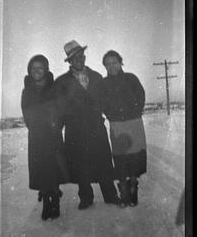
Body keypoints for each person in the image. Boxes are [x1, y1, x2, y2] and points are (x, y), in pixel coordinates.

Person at [49, 40, 121, 210]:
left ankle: (110, 195)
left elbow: (106, 101)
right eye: (74, 58)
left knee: (103, 161)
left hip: (96, 128)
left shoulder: (96, 77)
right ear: (70, 61)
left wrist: (117, 116)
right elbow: (58, 109)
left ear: (85, 56)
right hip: (75, 131)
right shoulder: (61, 82)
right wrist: (55, 130)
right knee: (80, 164)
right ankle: (86, 198)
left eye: (81, 56)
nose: (79, 60)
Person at [21, 54, 68, 220]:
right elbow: (26, 114)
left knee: (54, 169)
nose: (37, 70)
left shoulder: (54, 87)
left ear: (46, 69)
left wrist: (56, 125)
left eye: (40, 67)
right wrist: (36, 127)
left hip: (53, 135)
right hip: (36, 137)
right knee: (41, 169)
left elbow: (62, 110)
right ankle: (46, 202)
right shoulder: (26, 91)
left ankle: (55, 200)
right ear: (30, 71)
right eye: (33, 68)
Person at [100, 50, 147, 207]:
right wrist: (113, 115)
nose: (112, 66)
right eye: (108, 64)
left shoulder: (131, 78)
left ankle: (133, 187)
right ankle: (124, 190)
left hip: (134, 124)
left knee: (134, 157)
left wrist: (133, 113)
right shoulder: (104, 84)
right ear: (105, 66)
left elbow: (140, 97)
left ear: (121, 62)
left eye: (114, 62)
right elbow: (103, 104)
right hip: (117, 126)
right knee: (120, 158)